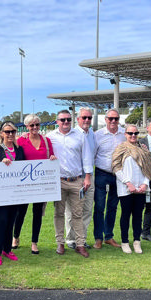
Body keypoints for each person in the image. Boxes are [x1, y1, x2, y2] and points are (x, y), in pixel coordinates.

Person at [47, 110, 93, 258]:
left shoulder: (80, 136)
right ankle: (60, 243)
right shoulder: (50, 137)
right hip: (59, 181)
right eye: (62, 120)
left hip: (76, 180)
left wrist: (87, 177)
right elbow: (40, 151)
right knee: (59, 213)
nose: (66, 122)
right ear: (57, 121)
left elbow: (87, 157)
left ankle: (80, 244)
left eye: (68, 119)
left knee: (78, 214)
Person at [13, 114, 56, 254]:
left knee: (37, 213)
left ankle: (34, 242)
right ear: (27, 127)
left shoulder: (46, 140)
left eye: (37, 124)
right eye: (31, 125)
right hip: (25, 184)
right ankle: (16, 237)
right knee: (20, 213)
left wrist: (53, 158)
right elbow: (11, 152)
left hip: (40, 185)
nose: (35, 127)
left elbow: (51, 156)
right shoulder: (21, 141)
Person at [0, 121, 26, 265]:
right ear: (1, 133)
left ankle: (7, 249)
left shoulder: (19, 150)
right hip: (0, 193)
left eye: (12, 132)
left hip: (15, 193)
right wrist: (0, 163)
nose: (10, 134)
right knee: (1, 220)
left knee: (11, 221)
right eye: (7, 131)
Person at [111, 125, 151, 254]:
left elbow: (148, 168)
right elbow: (116, 167)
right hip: (126, 189)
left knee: (138, 216)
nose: (133, 135)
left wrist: (145, 184)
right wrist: (128, 183)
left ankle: (136, 241)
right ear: (125, 134)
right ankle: (124, 242)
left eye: (135, 133)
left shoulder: (143, 150)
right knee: (125, 215)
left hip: (140, 188)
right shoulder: (121, 149)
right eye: (130, 133)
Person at [93, 109, 126, 249]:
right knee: (100, 207)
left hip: (118, 175)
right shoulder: (97, 135)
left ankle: (109, 236)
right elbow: (92, 154)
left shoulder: (124, 134)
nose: (113, 121)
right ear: (106, 119)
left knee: (113, 207)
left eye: (116, 119)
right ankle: (98, 238)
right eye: (110, 119)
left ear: (119, 120)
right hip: (102, 173)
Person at [65, 107, 96, 250]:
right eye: (84, 117)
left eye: (89, 118)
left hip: (89, 177)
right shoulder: (71, 134)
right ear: (78, 119)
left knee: (87, 209)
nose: (87, 120)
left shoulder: (92, 135)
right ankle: (70, 239)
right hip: (75, 178)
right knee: (72, 211)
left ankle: (81, 239)